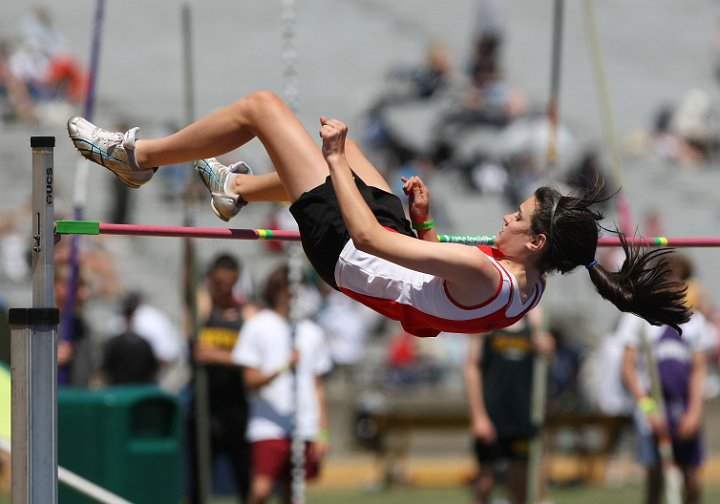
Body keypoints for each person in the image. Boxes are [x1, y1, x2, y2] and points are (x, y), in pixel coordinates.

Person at [66, 90, 690, 338]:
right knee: (336, 155)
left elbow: (365, 235)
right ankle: (237, 191)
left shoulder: (489, 275)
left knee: (264, 111)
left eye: (517, 216)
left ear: (535, 244)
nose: (505, 216)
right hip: (390, 237)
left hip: (347, 249)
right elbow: (427, 321)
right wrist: (423, 223)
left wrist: (332, 160)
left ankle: (135, 157)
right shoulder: (523, 294)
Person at [231, 264, 332, 504]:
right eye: (289, 289)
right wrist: (284, 366)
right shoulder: (258, 326)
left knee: (294, 492)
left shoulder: (312, 332)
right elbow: (250, 381)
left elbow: (318, 386)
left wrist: (323, 431)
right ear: (276, 291)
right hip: (268, 425)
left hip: (304, 425)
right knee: (261, 489)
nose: (295, 296)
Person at [619, 255, 714, 504]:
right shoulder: (638, 320)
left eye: (678, 277)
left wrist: (694, 412)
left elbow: (699, 371)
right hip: (652, 412)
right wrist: (649, 409)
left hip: (683, 409)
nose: (672, 283)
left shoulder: (696, 322)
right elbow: (628, 369)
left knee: (692, 481)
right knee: (655, 480)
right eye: (667, 276)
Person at [185, 253, 256, 503]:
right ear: (211, 280)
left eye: (230, 283)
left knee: (245, 477)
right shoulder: (202, 310)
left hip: (237, 408)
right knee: (198, 482)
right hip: (204, 407)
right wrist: (189, 249)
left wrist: (217, 355)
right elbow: (189, 290)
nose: (224, 289)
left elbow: (253, 360)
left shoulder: (246, 314)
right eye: (219, 282)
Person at [464, 309, 554, 504]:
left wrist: (547, 348)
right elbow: (472, 367)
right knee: (485, 483)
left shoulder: (535, 318)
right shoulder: (486, 313)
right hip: (492, 415)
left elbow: (546, 367)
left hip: (523, 415)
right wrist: (478, 415)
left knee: (521, 483)